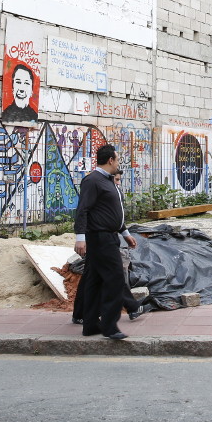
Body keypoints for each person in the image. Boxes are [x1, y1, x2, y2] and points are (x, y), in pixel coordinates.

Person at [72, 145, 138, 339]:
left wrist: (124, 232)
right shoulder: (92, 181)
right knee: (116, 280)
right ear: (110, 160)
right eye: (117, 159)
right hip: (99, 238)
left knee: (94, 280)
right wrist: (80, 238)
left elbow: (110, 212)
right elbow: (83, 210)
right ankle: (110, 326)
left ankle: (91, 324)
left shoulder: (107, 181)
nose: (118, 163)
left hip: (110, 235)